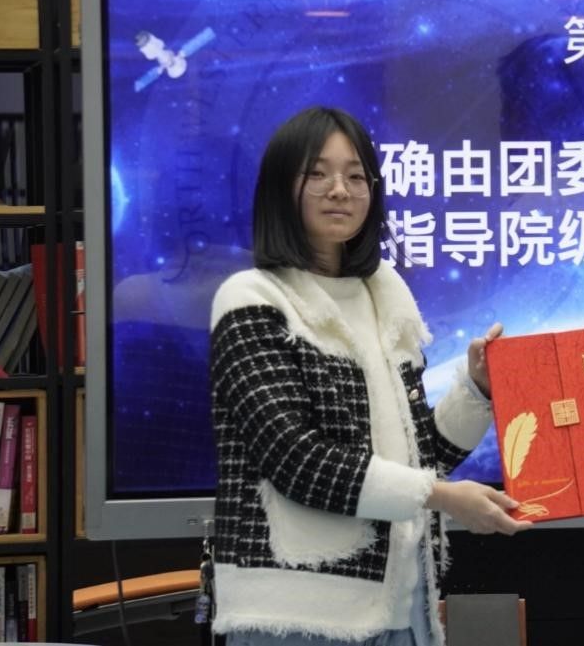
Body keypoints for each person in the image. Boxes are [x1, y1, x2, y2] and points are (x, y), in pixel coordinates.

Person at [208, 106, 530, 646]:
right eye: (317, 173)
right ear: (281, 187)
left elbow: (418, 460)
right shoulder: (251, 298)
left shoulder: (385, 294)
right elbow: (295, 459)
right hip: (296, 617)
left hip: (402, 607)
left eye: (356, 176)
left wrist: (477, 388)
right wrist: (442, 496)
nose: (340, 190)